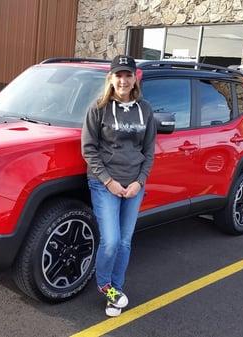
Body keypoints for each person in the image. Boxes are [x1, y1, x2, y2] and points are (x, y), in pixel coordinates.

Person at [81, 55, 157, 317]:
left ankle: (116, 292)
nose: (123, 80)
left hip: (134, 185)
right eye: (118, 75)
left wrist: (139, 181)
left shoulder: (145, 109)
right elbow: (88, 150)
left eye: (128, 75)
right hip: (105, 184)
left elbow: (149, 150)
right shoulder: (98, 108)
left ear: (135, 78)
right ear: (111, 79)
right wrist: (108, 181)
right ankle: (104, 286)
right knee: (111, 241)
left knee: (125, 242)